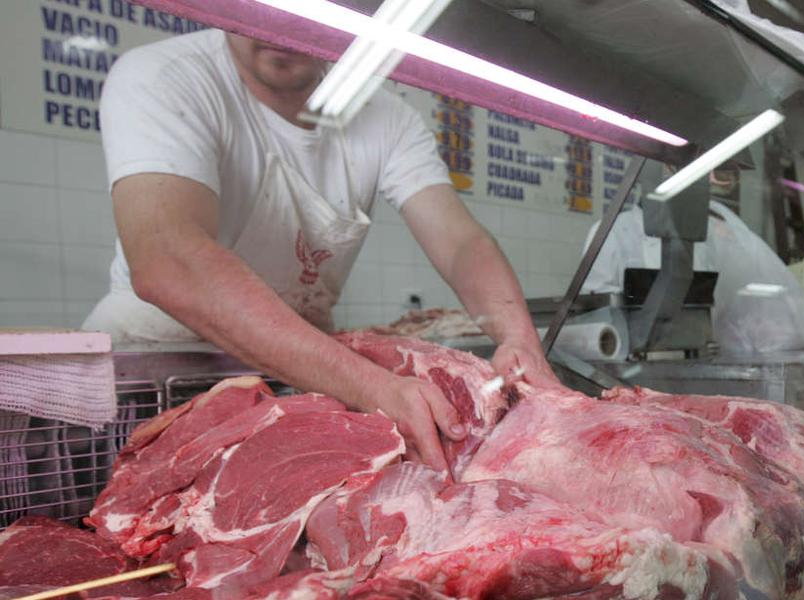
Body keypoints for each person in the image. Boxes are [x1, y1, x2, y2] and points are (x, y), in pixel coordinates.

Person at [81, 29, 559, 473]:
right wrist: (374, 387)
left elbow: (461, 243)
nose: (279, 31)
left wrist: (518, 339)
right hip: (149, 387)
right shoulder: (168, 77)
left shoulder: (385, 116)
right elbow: (168, 259)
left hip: (298, 382)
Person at [582, 193, 804, 356]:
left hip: (695, 361)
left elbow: (719, 302)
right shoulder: (612, 232)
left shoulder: (700, 241)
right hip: (631, 370)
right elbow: (597, 316)